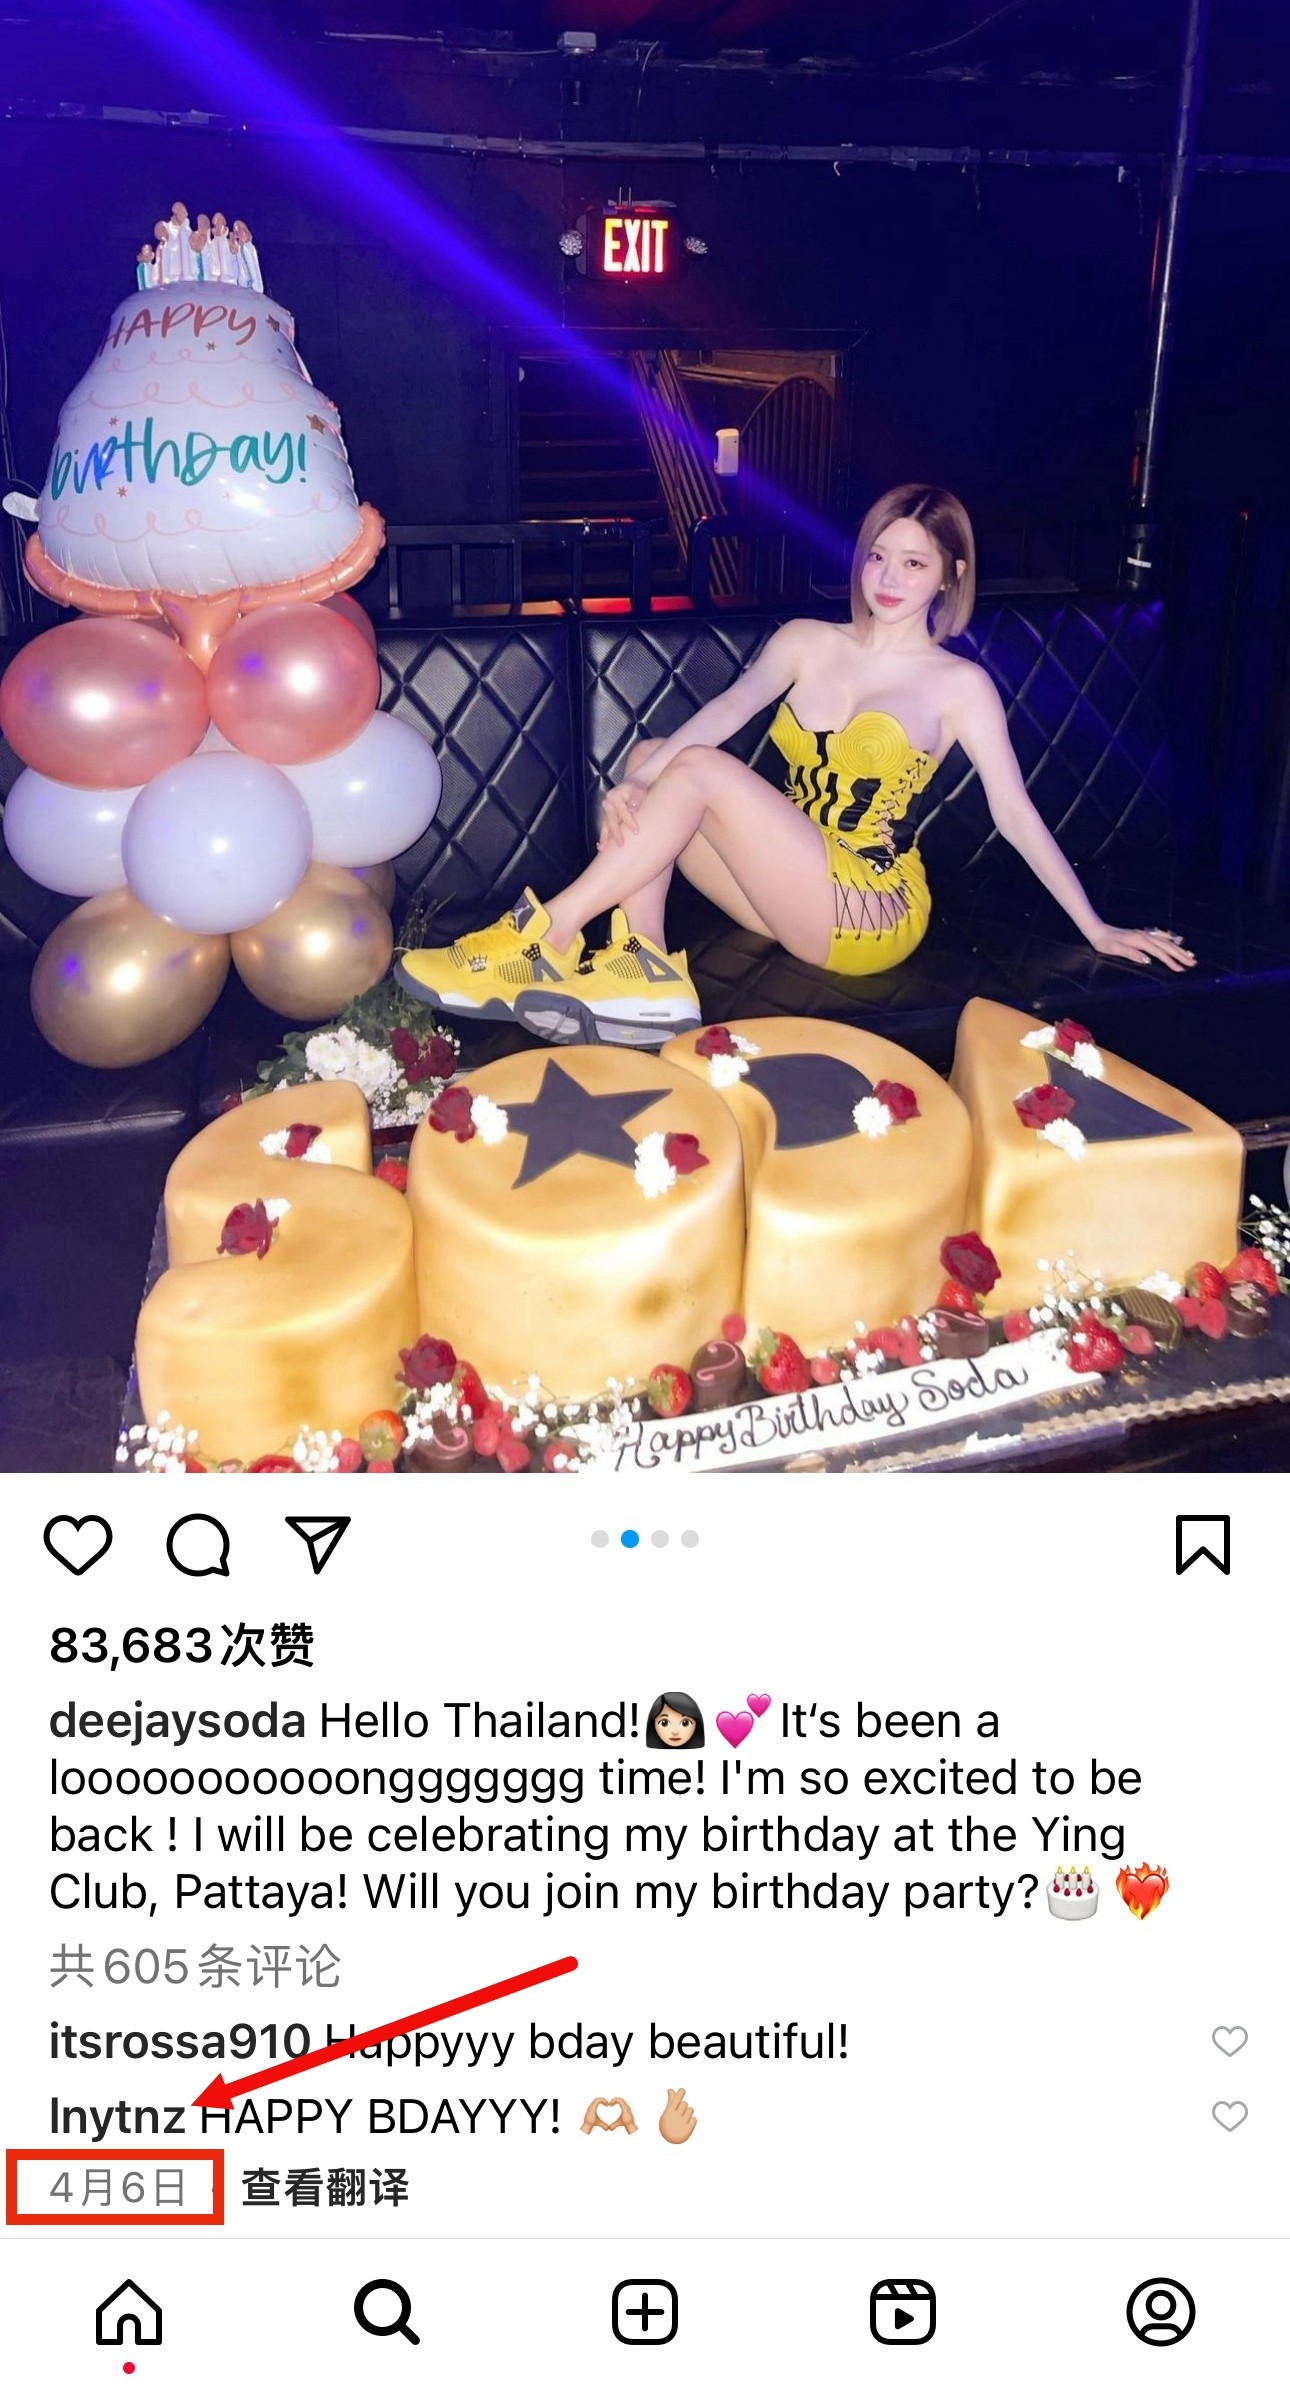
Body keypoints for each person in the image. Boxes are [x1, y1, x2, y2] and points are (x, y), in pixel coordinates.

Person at [398, 483, 1195, 1049]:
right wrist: (633, 783)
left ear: (951, 574)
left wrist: (1096, 926)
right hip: (787, 883)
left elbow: (1013, 813)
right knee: (650, 756)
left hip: (870, 904)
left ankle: (546, 933)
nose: (888, 579)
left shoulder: (960, 685)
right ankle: (641, 969)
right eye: (878, 556)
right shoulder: (808, 640)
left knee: (693, 769)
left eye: (914, 564)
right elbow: (726, 711)